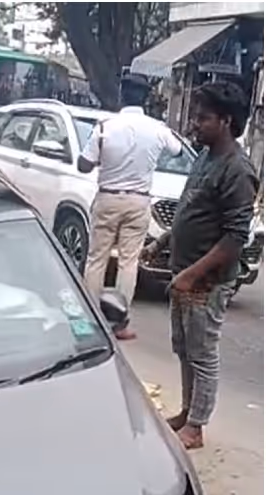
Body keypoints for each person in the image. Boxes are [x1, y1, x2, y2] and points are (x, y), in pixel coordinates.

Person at [143, 82, 258, 450]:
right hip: (185, 275)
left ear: (225, 121)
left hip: (206, 283)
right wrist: (161, 242)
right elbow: (190, 209)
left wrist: (192, 275)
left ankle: (196, 426)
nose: (194, 124)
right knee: (184, 349)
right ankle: (187, 412)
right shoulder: (206, 157)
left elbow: (235, 237)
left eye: (203, 118)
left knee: (203, 355)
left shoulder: (237, 170)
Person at [77, 74, 183, 341]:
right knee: (128, 262)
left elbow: (83, 165)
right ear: (146, 98)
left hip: (108, 197)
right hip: (139, 200)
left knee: (96, 258)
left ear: (122, 94)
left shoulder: (105, 126)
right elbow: (178, 150)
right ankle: (120, 322)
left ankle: (93, 319)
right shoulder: (157, 128)